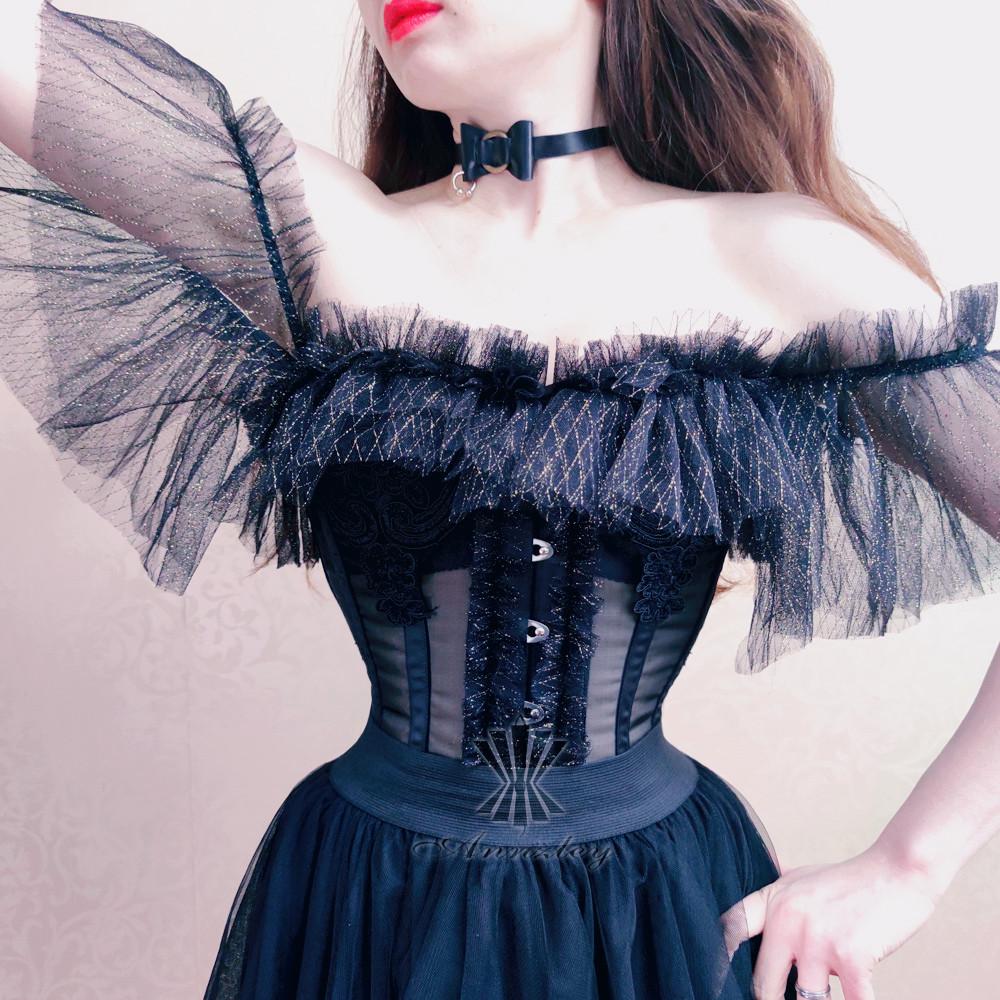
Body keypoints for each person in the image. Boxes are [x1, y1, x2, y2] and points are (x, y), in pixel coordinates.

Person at [1, 1, 999, 998]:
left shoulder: (777, 254)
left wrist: (908, 867)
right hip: (368, 905)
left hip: (650, 914)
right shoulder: (318, 231)